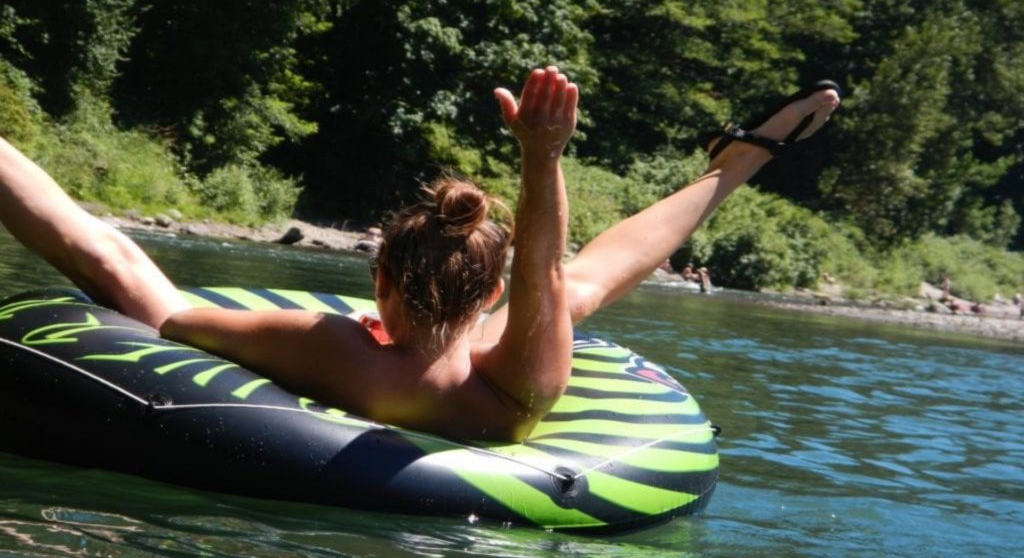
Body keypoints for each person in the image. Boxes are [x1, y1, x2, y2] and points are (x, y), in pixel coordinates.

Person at [0, 67, 840, 441]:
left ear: (375, 287)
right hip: (485, 388)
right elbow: (549, 272)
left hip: (386, 360)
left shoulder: (336, 348)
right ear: (488, 297)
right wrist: (542, 159)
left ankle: (739, 158)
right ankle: (741, 161)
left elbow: (182, 320)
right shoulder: (521, 379)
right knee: (578, 288)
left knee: (116, 268)